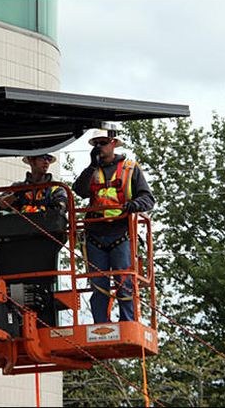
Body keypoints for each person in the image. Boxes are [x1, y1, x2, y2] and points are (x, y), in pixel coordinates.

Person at [72, 125, 155, 323]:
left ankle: (128, 322)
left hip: (121, 235)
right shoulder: (92, 171)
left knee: (124, 283)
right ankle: (101, 325)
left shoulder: (130, 168)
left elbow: (148, 199)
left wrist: (132, 205)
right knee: (98, 286)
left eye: (103, 143)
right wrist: (92, 165)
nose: (100, 147)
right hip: (95, 236)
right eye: (97, 144)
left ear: (114, 144)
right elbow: (79, 190)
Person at [0, 154, 67, 213]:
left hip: (46, 228)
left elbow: (62, 207)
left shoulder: (56, 188)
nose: (46, 162)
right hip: (22, 227)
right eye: (43, 157)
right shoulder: (18, 187)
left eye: (49, 159)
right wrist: (15, 195)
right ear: (31, 160)